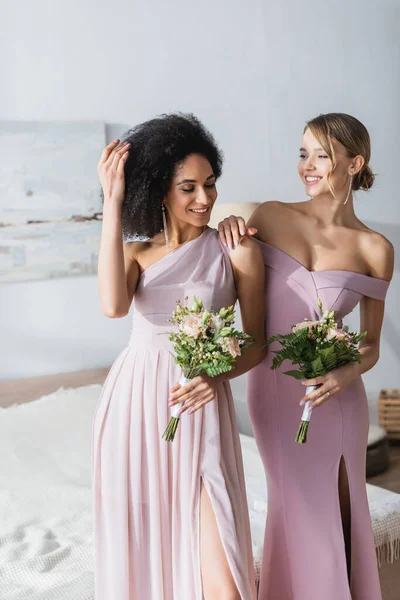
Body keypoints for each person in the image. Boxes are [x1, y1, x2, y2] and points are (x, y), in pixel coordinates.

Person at [218, 113, 394, 600]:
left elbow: (371, 343)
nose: (307, 166)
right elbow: (232, 289)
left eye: (321, 154)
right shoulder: (270, 215)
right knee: (294, 504)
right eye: (302, 154)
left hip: (337, 399)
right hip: (274, 392)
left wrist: (346, 373)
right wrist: (229, 232)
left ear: (354, 163)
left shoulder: (376, 248)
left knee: (343, 508)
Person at [92, 113, 265, 600]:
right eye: (188, 187)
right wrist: (112, 202)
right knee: (145, 552)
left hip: (201, 404)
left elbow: (257, 339)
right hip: (137, 407)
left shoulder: (236, 250)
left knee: (224, 583)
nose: (205, 199)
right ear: (159, 191)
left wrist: (216, 377)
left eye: (210, 184)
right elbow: (112, 306)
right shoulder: (136, 252)